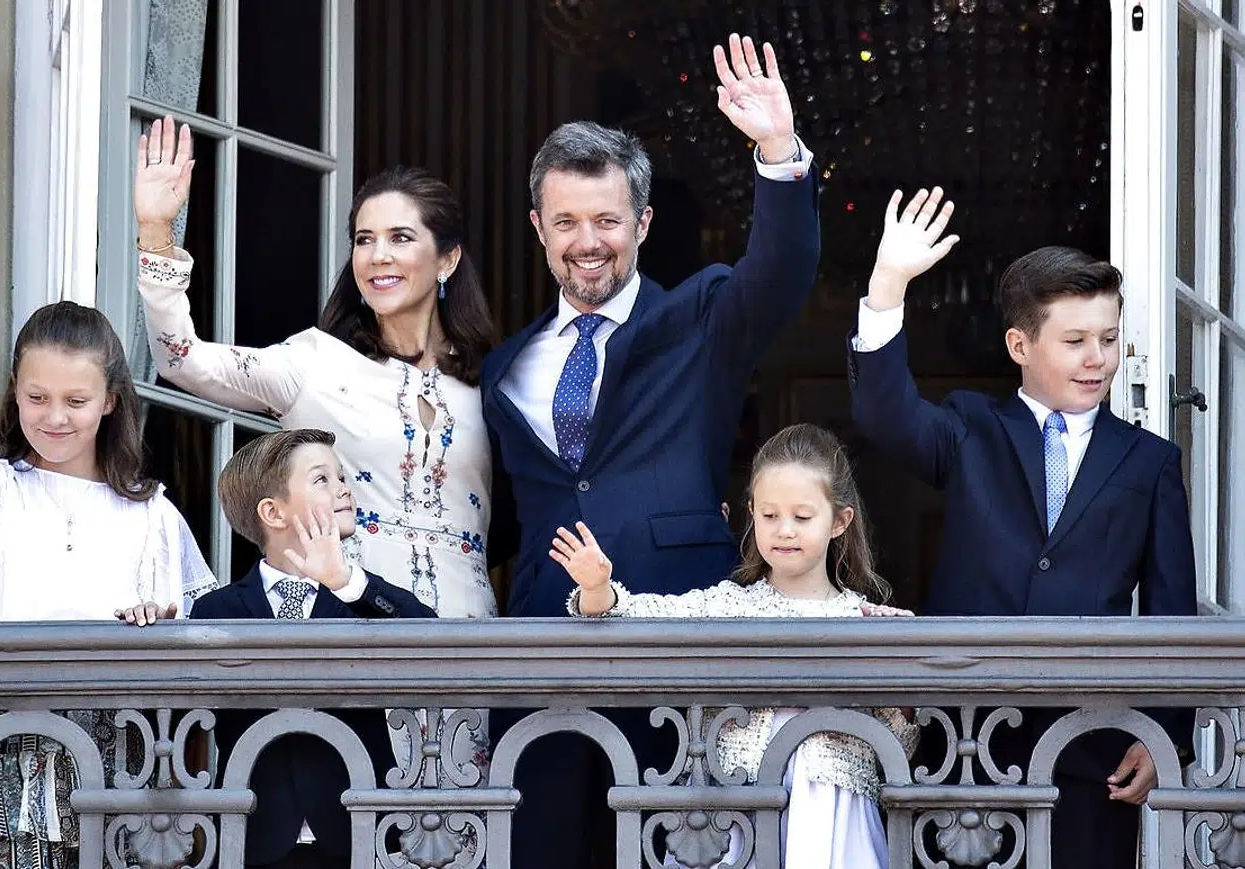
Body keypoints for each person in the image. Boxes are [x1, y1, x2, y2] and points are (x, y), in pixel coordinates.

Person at [481, 34, 820, 868]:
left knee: (678, 849)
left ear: (642, 222)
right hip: (541, 650)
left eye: (605, 220)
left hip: (678, 634)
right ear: (538, 226)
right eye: (565, 221)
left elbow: (779, 273)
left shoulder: (699, 316)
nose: (586, 240)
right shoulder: (504, 365)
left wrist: (778, 151)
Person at [847, 187, 1197, 869]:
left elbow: (1170, 607)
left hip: (1091, 745)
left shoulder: (1150, 460)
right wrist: (887, 286)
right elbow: (887, 415)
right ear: (1020, 343)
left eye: (1107, 338)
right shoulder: (973, 426)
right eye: (1074, 340)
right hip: (965, 736)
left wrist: (1167, 735)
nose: (1096, 357)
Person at [0, 260, 216, 868]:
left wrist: (158, 619)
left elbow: (185, 640)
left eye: (76, 400)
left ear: (111, 401)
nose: (55, 416)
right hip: (3, 739)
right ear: (15, 391)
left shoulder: (151, 514)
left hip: (117, 748)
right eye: (37, 397)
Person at [134, 117, 497, 621]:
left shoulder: (494, 382)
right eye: (364, 239)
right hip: (351, 627)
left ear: (447, 259)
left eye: (400, 237)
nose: (377, 256)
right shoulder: (314, 363)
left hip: (473, 634)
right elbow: (182, 359)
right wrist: (156, 233)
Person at [555, 423, 916, 869]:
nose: (784, 530)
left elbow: (899, 743)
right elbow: (635, 615)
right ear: (751, 514)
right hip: (736, 815)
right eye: (768, 516)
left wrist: (898, 659)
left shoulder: (865, 623)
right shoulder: (728, 604)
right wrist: (598, 587)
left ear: (840, 521)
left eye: (802, 518)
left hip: (835, 820)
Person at [189, 428, 438, 869]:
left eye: (341, 476)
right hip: (252, 836)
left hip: (358, 831)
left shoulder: (360, 597)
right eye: (322, 479)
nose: (344, 488)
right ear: (273, 512)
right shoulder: (216, 609)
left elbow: (433, 643)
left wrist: (345, 583)